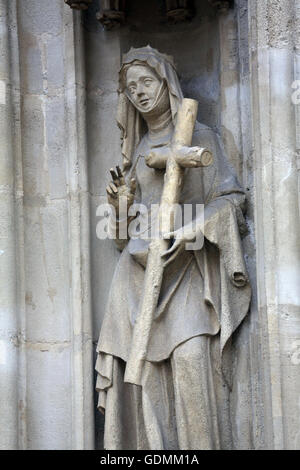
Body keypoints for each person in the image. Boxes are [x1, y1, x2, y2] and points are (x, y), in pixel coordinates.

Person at [95, 45, 251, 450]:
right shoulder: (137, 153)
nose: (140, 93)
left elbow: (232, 199)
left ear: (166, 83)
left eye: (147, 82)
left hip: (187, 273)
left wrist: (191, 229)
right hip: (137, 281)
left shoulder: (201, 138)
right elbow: (119, 237)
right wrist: (122, 201)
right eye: (131, 88)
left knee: (191, 363)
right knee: (143, 379)